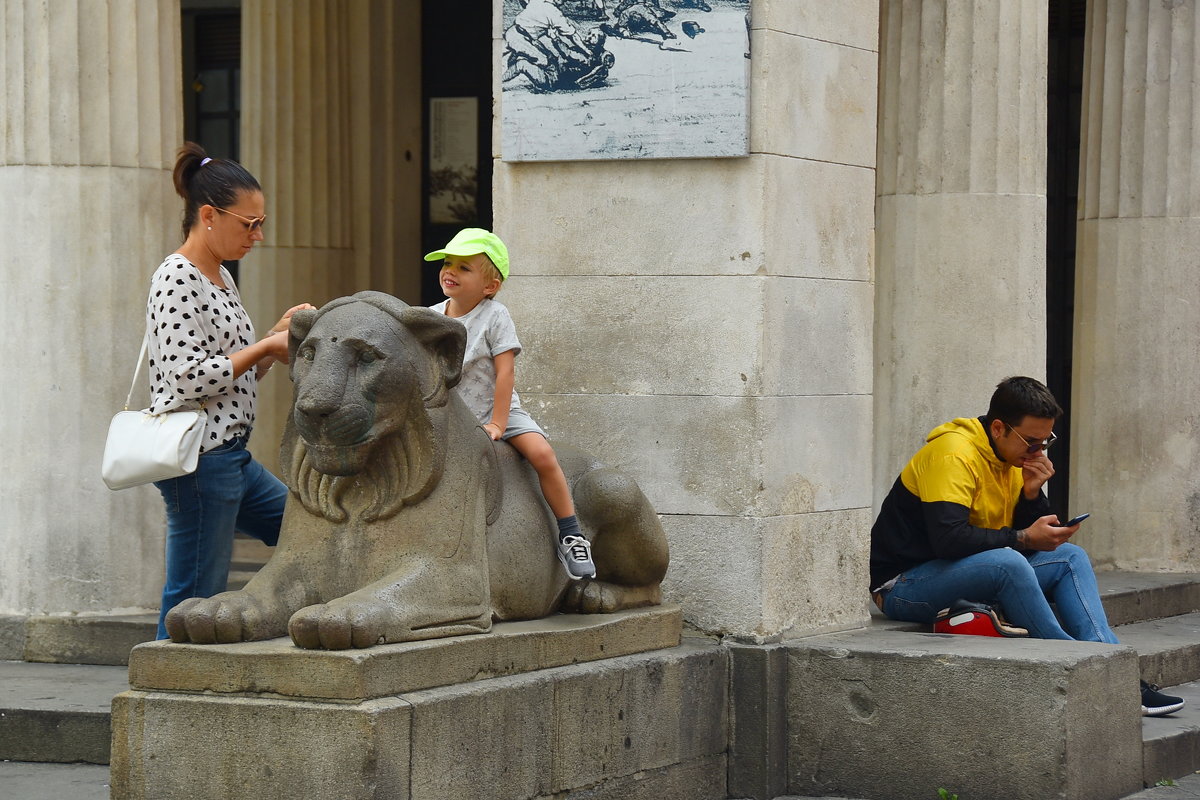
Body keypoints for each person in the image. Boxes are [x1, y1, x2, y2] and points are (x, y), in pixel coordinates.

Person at [870, 376, 1185, 717]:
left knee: (1070, 557)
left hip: (967, 572)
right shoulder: (952, 454)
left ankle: (1112, 668)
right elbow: (949, 539)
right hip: (903, 585)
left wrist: (1032, 494)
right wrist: (1021, 538)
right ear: (998, 428)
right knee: (1009, 561)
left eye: (1045, 442)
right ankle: (1095, 678)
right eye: (1031, 442)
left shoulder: (1013, 459)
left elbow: (1034, 536)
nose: (1038, 452)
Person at [147, 142, 312, 639]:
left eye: (260, 223)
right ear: (208, 216)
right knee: (194, 596)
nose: (258, 236)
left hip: (230, 457)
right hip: (202, 460)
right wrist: (263, 350)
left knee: (305, 531)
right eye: (249, 224)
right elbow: (188, 377)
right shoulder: (176, 277)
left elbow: (230, 375)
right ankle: (161, 700)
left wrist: (268, 340)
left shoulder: (218, 278)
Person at [424, 228, 597, 580]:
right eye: (447, 263)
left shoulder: (495, 316)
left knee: (544, 456)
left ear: (490, 285)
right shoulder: (430, 317)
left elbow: (505, 375)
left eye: (464, 267)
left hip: (496, 410)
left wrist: (499, 424)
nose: (450, 271)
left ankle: (570, 533)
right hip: (451, 414)